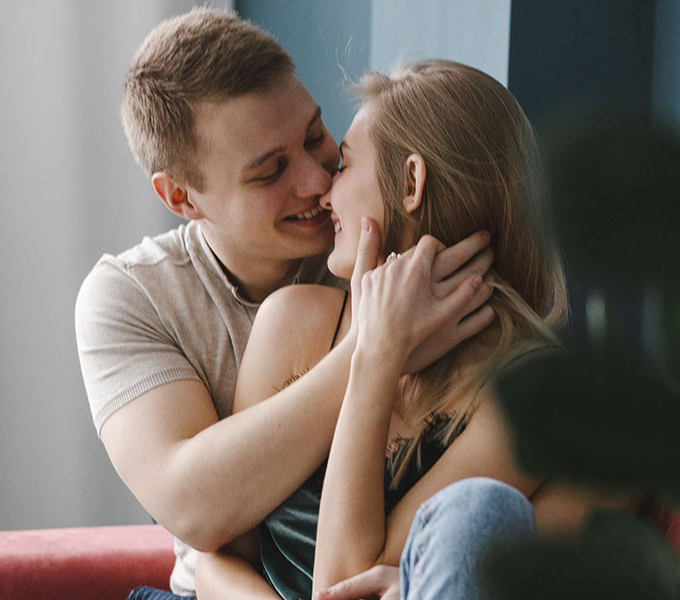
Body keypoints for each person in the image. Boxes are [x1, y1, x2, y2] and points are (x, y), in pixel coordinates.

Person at [75, 9, 493, 598]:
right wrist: (375, 343)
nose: (318, 182)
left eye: (317, 136)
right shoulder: (131, 296)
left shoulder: (380, 243)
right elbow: (199, 517)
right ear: (181, 196)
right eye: (271, 171)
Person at [193, 60, 590, 600]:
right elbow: (217, 560)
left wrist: (376, 358)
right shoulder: (291, 323)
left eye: (343, 166)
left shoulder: (527, 392)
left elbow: (342, 586)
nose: (325, 195)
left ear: (410, 182)